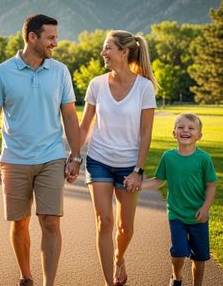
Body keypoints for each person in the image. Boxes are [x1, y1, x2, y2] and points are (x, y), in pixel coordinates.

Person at [0, 14, 81, 286]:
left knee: (50, 221)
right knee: (20, 222)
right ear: (31, 37)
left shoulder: (60, 71)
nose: (55, 43)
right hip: (14, 160)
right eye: (50, 38)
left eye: (56, 37)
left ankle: (49, 283)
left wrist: (76, 155)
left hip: (51, 156)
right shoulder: (2, 72)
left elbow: (70, 116)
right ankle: (26, 276)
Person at [79, 30, 158, 286]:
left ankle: (119, 256)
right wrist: (73, 157)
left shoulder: (145, 87)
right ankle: (108, 282)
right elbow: (85, 125)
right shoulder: (97, 84)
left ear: (123, 52)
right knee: (105, 222)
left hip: (128, 166)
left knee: (125, 228)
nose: (103, 53)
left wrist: (138, 170)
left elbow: (146, 132)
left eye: (107, 48)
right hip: (98, 160)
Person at [138, 113, 217, 286]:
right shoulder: (168, 157)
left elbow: (212, 184)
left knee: (200, 256)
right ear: (174, 133)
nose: (185, 131)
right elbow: (159, 180)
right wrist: (138, 184)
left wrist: (205, 207)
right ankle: (177, 277)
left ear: (199, 135)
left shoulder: (204, 159)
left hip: (198, 215)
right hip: (177, 215)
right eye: (181, 127)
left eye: (191, 128)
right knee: (179, 251)